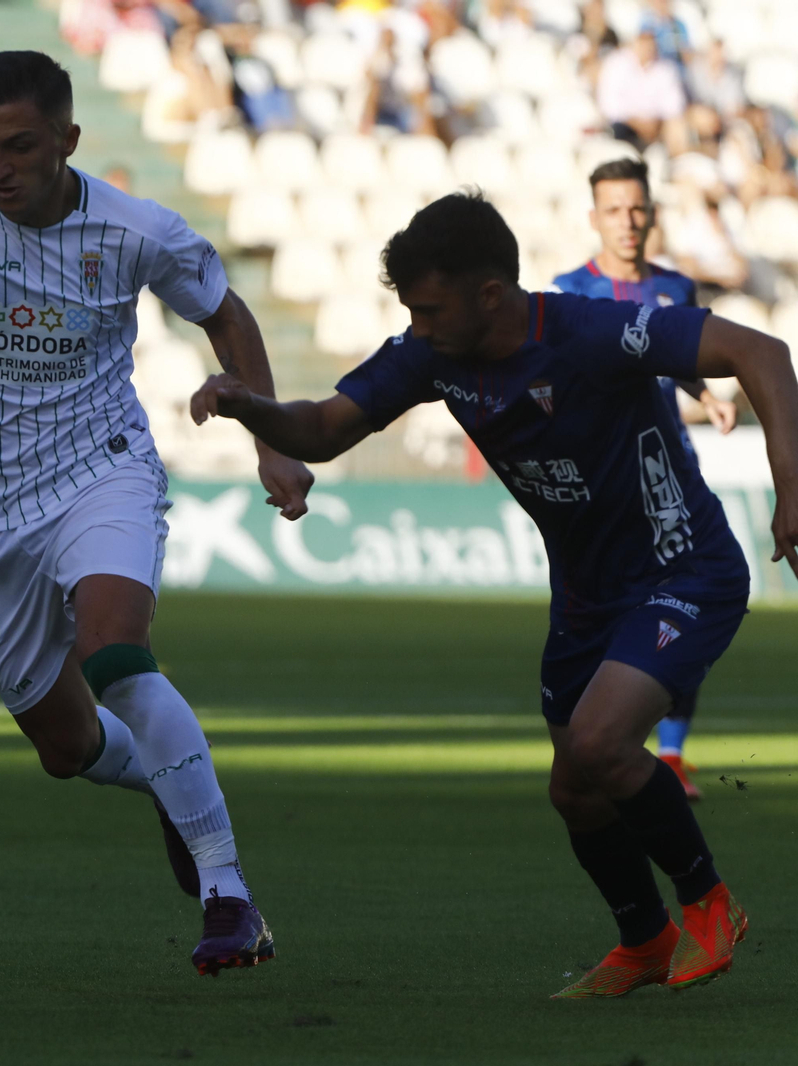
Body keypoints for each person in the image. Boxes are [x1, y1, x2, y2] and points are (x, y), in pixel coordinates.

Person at [190, 191, 798, 997]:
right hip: (585, 596)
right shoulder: (432, 353)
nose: (419, 324)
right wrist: (249, 406)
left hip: (682, 571)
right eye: (411, 310)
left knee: (598, 745)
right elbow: (327, 428)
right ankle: (644, 942)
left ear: (489, 294)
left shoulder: (589, 330)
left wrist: (790, 489)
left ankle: (708, 903)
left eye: (430, 307)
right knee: (573, 786)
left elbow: (762, 351)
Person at [0, 51, 314, 975]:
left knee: (116, 653)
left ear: (68, 141)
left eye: (21, 146)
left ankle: (227, 893)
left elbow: (228, 316)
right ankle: (165, 773)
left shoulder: (134, 229)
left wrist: (273, 441)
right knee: (66, 744)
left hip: (97, 469)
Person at [551, 159, 739, 803]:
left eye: (637, 209)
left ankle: (675, 755)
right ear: (594, 217)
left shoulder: (677, 288)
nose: (628, 222)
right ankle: (602, 743)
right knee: (608, 611)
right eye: (614, 210)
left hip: (668, 476)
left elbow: (682, 356)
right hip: (603, 481)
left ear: (652, 213)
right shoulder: (569, 288)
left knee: (679, 607)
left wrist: (707, 396)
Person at [597, 33, 686, 150]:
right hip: (624, 126)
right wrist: (637, 124)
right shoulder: (616, 64)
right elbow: (609, 105)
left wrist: (654, 124)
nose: (647, 48)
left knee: (677, 127)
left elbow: (675, 106)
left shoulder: (666, 68)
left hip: (658, 127)